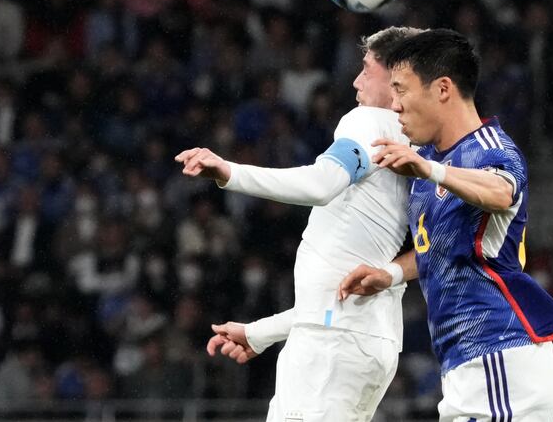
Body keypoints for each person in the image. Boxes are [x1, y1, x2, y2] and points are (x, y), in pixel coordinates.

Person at [174, 27, 421, 422]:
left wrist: (229, 173)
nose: (356, 81)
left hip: (333, 348)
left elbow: (322, 184)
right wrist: (262, 332)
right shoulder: (415, 143)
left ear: (396, 79)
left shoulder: (368, 122)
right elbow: (342, 290)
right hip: (360, 339)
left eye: (366, 69)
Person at [339, 29, 553, 421]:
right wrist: (391, 273)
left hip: (500, 351)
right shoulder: (428, 161)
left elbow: (501, 192)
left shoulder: (491, 149)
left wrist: (431, 169)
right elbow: (439, 245)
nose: (395, 106)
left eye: (401, 90)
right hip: (464, 362)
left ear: (443, 89)